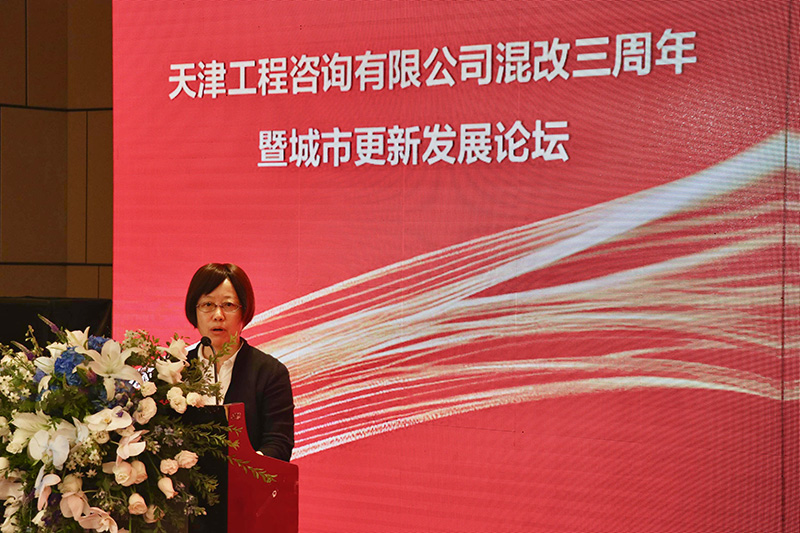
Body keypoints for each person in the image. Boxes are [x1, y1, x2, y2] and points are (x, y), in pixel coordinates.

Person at [184, 263, 294, 461]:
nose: (218, 316)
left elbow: (279, 443)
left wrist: (247, 467)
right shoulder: (173, 369)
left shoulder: (269, 373)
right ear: (194, 311)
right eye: (208, 305)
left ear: (244, 311)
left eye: (228, 305)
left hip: (246, 478)